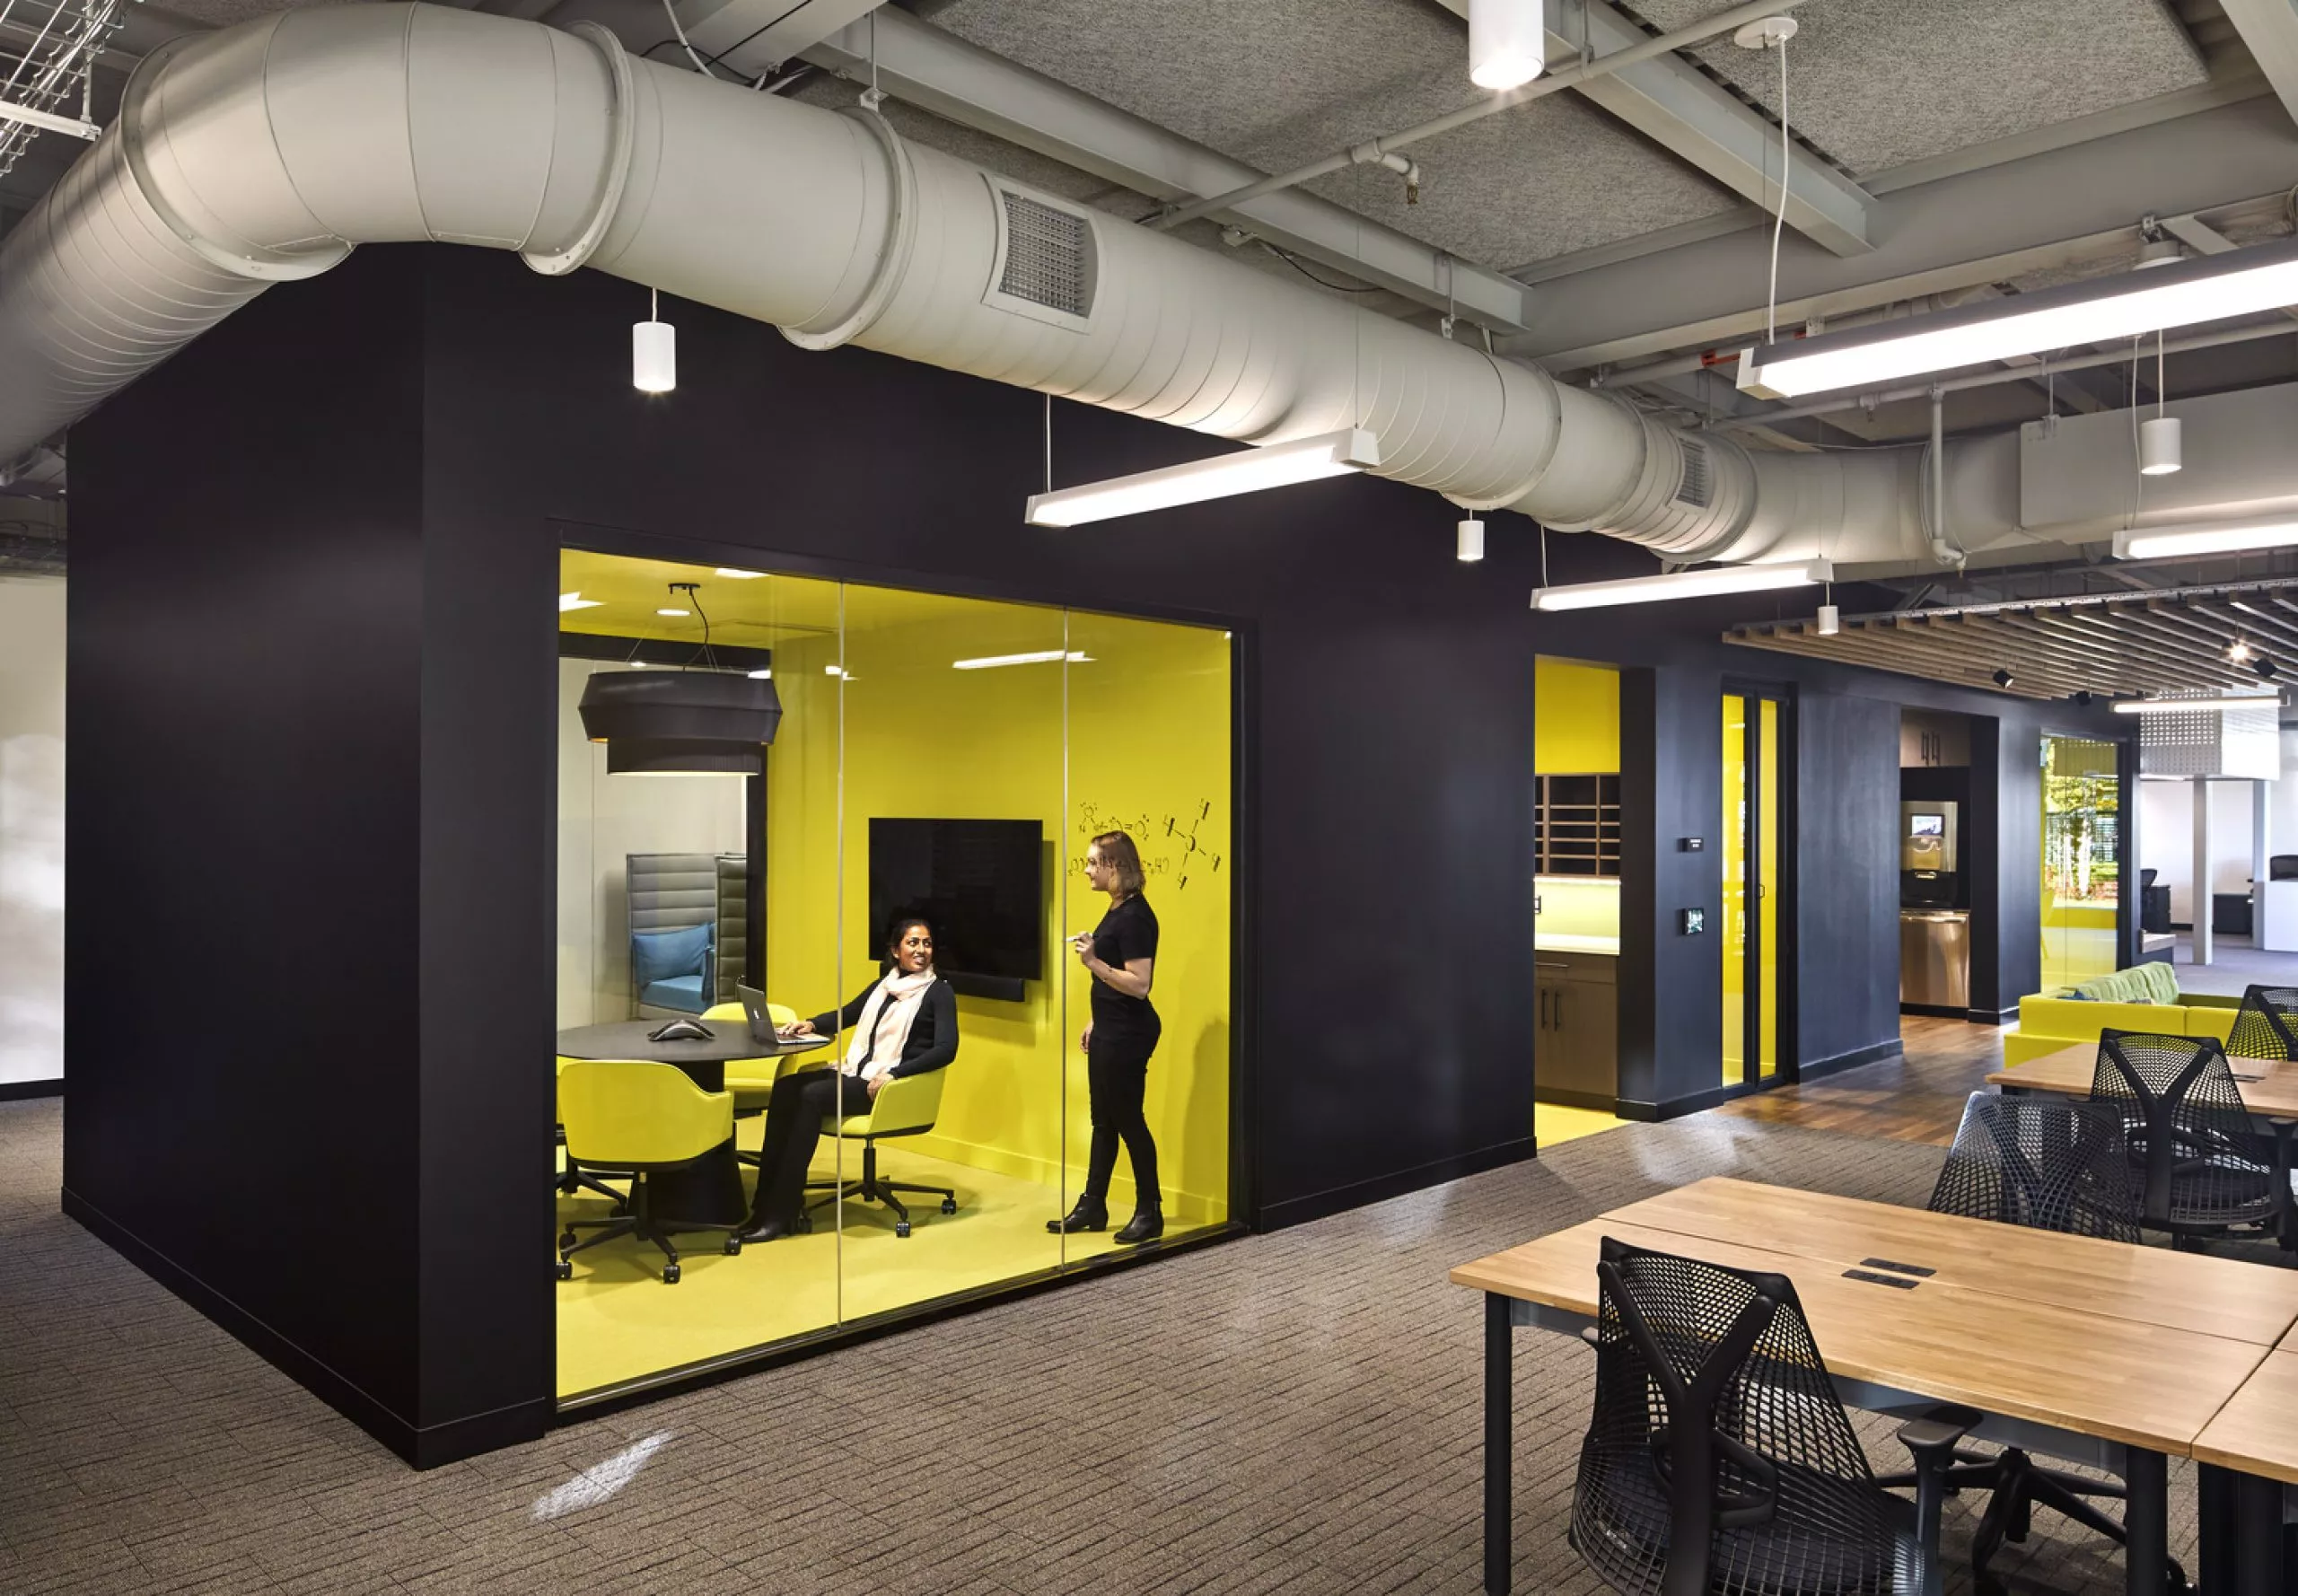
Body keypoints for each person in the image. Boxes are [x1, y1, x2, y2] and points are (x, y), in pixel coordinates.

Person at [738, 917, 957, 1243]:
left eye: (926, 943)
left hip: (887, 1085)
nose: (921, 950)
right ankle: (765, 1202)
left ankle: (781, 1214)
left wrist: (894, 1074)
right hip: (858, 1072)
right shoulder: (884, 985)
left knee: (811, 1095)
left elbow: (946, 1049)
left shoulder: (939, 992)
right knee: (785, 1088)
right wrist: (812, 1023)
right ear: (896, 951)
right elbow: (849, 1013)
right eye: (913, 943)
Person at [1051, 829, 1163, 1244]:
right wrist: (1096, 1019)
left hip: (1129, 1034)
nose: (1086, 870)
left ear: (1115, 867)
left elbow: (1139, 984)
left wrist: (1092, 960)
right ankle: (1092, 1204)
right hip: (1110, 1028)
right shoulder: (1118, 909)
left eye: (1093, 863)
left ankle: (1149, 1210)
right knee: (1103, 1120)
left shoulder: (1136, 917)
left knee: (1129, 1120)